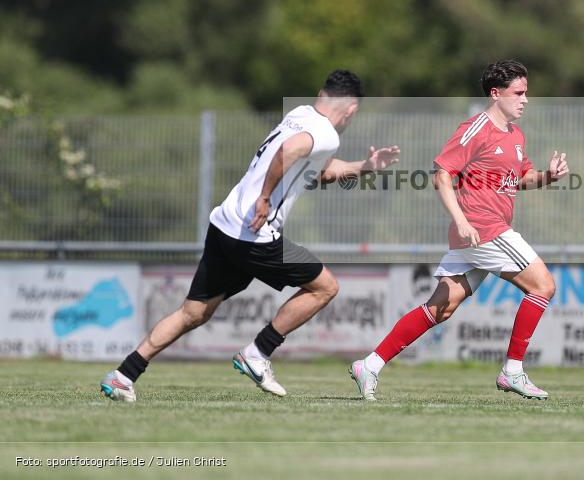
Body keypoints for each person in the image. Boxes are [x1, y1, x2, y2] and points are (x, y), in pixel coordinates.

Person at [100, 70, 400, 402]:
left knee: (194, 312)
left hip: (226, 224)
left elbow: (320, 170)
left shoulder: (299, 115)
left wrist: (366, 165)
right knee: (325, 287)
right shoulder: (326, 133)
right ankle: (257, 353)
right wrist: (265, 198)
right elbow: (287, 152)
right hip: (255, 234)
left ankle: (123, 375)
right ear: (352, 110)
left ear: (321, 94)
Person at [349, 60, 569, 401]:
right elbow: (442, 175)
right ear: (495, 94)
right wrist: (462, 221)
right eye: (518, 93)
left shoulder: (516, 135)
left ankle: (370, 365)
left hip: (479, 233)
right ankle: (512, 371)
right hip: (483, 227)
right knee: (543, 286)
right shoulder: (476, 128)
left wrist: (548, 176)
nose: (525, 100)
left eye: (526, 93)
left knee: (441, 307)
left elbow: (522, 179)